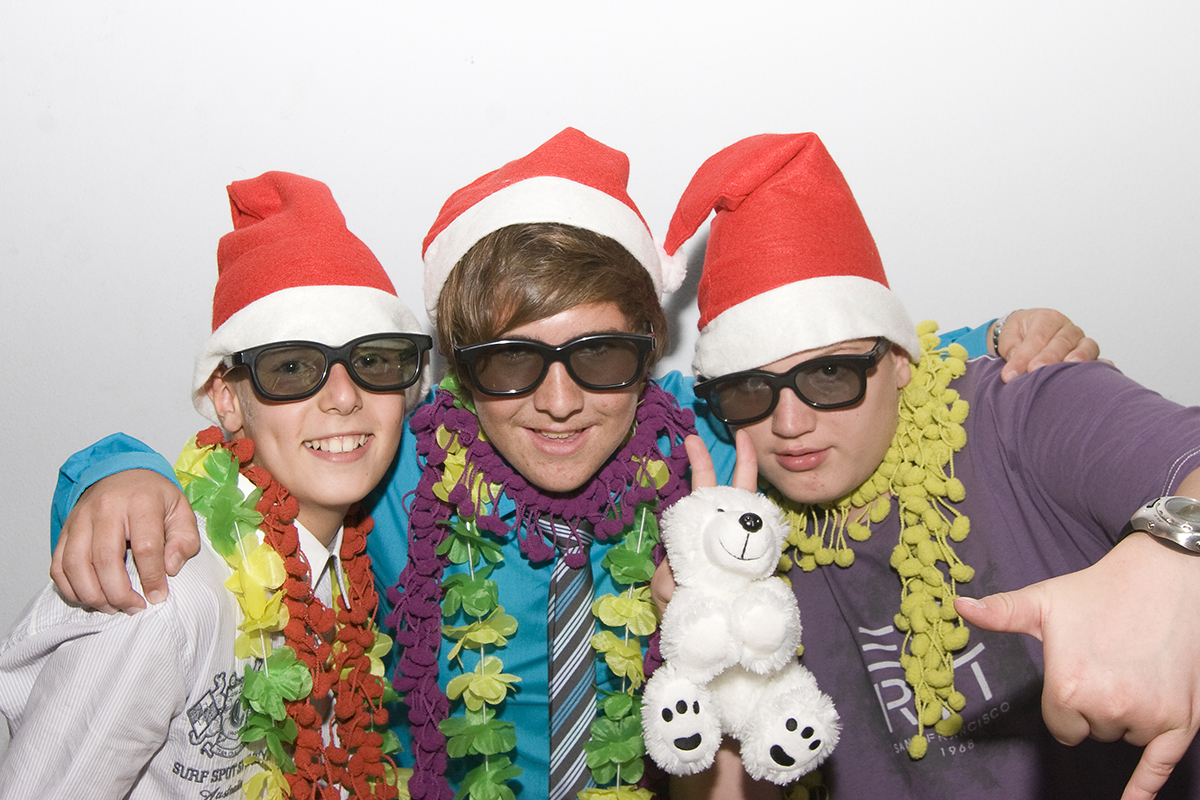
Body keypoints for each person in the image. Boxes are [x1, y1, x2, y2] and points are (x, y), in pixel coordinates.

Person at [41, 130, 1097, 799]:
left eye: (596, 356)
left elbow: (836, 368)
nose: (557, 400)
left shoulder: (702, 443)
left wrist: (1007, 339)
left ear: (648, 354)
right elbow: (255, 460)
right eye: (512, 361)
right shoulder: (398, 465)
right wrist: (112, 472)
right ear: (458, 373)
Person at [655, 132, 1200, 799]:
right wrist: (713, 666)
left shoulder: (1022, 407)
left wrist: (1174, 559)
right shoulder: (745, 537)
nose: (790, 424)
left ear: (900, 360)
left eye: (829, 375)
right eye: (750, 390)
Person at [0, 172, 433, 798]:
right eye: (292, 367)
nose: (343, 397)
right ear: (226, 398)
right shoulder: (162, 598)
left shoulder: (352, 568)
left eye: (373, 360)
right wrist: (104, 469)